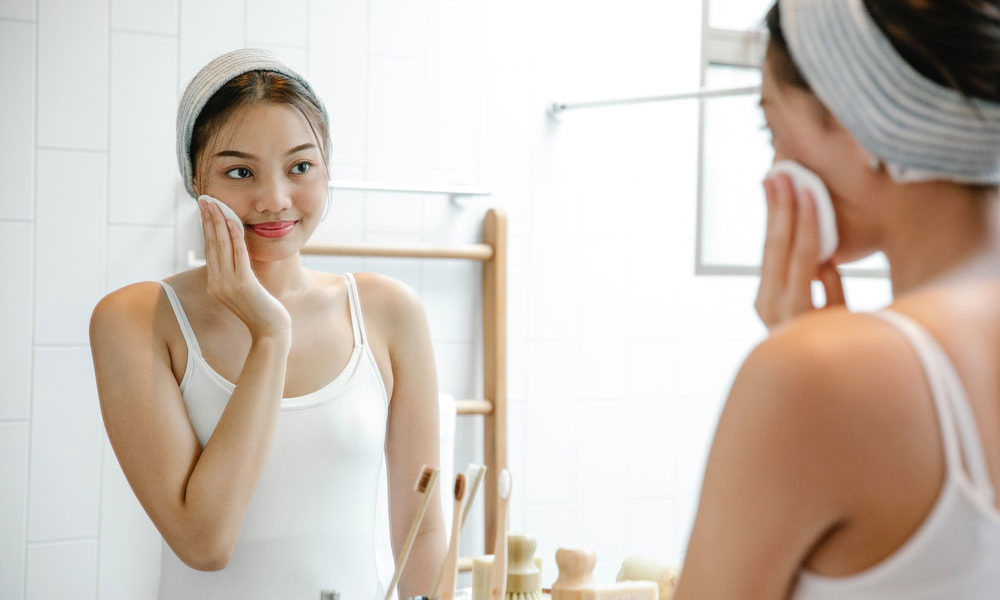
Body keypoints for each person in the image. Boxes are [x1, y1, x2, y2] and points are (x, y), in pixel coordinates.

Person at [89, 48, 445, 600]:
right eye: (239, 171)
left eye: (300, 166)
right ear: (195, 181)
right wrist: (269, 333)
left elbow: (421, 532)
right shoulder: (137, 320)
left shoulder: (389, 311)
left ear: (327, 169)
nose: (275, 200)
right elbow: (205, 543)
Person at [673, 1, 1000, 598]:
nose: (775, 163)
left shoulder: (816, 376)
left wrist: (801, 358)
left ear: (859, 111)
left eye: (772, 127)